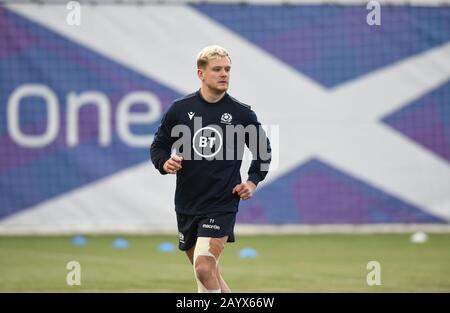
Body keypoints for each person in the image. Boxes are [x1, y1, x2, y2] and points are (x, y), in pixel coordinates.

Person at [150, 45, 271, 293]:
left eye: (227, 69)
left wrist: (252, 181)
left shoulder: (241, 113)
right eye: (217, 69)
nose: (224, 74)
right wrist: (165, 162)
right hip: (187, 203)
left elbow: (263, 150)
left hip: (222, 202)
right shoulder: (180, 109)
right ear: (200, 74)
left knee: (204, 268)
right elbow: (159, 146)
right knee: (208, 273)